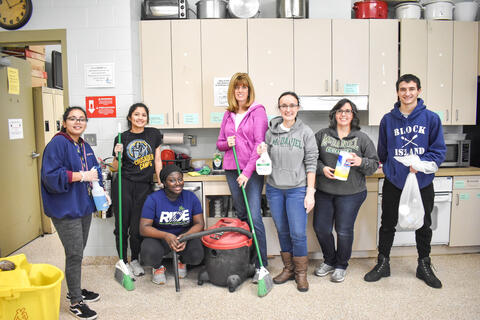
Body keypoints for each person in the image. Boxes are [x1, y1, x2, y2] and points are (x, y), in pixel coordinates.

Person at [364, 74, 446, 288]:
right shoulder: (388, 120)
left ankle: (424, 265)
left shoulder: (431, 119)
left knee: (424, 223)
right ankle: (383, 263)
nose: (407, 93)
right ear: (398, 92)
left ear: (419, 91)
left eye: (411, 89)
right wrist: (394, 167)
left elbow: (438, 152)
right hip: (395, 181)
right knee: (387, 223)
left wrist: (419, 164)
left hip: (422, 181)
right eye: (403, 89)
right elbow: (383, 152)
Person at [41, 107, 103, 319]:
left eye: (82, 119)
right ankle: (76, 301)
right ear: (64, 122)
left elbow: (94, 170)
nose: (77, 122)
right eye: (73, 119)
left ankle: (73, 290)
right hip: (65, 209)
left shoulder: (82, 145)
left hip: (83, 206)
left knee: (78, 251)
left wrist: (101, 190)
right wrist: (80, 176)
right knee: (75, 253)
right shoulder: (58, 143)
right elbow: (50, 176)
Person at [257, 91, 318, 292]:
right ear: (279, 108)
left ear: (298, 108)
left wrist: (310, 192)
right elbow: (266, 163)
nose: (288, 109)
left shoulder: (305, 132)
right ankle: (289, 269)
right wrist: (262, 154)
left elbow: (311, 163)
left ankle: (301, 274)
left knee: (298, 233)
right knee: (282, 231)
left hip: (297, 190)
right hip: (275, 189)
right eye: (284, 105)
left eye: (292, 105)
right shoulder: (270, 132)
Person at [313, 99, 379, 283]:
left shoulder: (362, 138)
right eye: (340, 111)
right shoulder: (322, 135)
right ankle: (329, 260)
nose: (343, 114)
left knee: (343, 230)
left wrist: (360, 162)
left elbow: (373, 165)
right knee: (321, 228)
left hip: (351, 193)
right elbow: (311, 158)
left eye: (348, 111)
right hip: (325, 191)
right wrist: (322, 169)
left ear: (353, 115)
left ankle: (341, 265)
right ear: (334, 114)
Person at [216, 72, 268, 281]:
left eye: (244, 87)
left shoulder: (258, 111)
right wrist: (226, 143)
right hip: (231, 168)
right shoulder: (228, 114)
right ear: (232, 91)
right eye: (237, 87)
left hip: (251, 170)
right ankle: (246, 261)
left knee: (254, 217)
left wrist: (246, 173)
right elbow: (220, 143)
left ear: (249, 90)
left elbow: (259, 143)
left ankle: (261, 265)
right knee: (242, 216)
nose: (240, 91)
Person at [111, 102, 163, 277]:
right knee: (121, 226)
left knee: (137, 227)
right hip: (124, 184)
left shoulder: (153, 134)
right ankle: (122, 262)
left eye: (143, 115)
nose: (140, 118)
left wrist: (161, 179)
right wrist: (117, 154)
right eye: (136, 114)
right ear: (129, 117)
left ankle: (134, 259)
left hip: (144, 186)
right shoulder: (121, 138)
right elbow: (115, 167)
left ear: (147, 118)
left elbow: (157, 160)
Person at [139, 165, 205, 284]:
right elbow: (143, 228)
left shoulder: (191, 197)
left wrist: (186, 236)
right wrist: (166, 236)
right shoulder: (153, 199)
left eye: (180, 179)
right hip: (161, 238)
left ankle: (182, 261)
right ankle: (157, 267)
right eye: (172, 180)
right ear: (164, 182)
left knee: (197, 255)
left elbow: (200, 224)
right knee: (148, 254)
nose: (177, 183)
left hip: (183, 238)